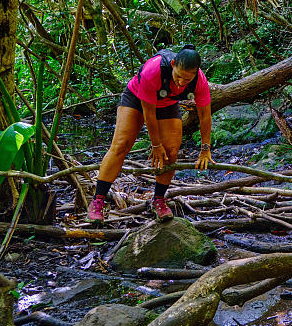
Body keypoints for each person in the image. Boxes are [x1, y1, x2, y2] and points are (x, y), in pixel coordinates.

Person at [87, 45, 213, 222]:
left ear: (196, 72)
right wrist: (155, 145)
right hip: (136, 99)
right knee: (121, 145)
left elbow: (205, 116)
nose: (181, 82)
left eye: (187, 79)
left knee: (171, 151)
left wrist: (205, 148)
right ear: (173, 64)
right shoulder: (154, 70)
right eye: (178, 76)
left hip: (167, 105)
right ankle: (98, 201)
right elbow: (149, 114)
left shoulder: (199, 80)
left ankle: (159, 200)